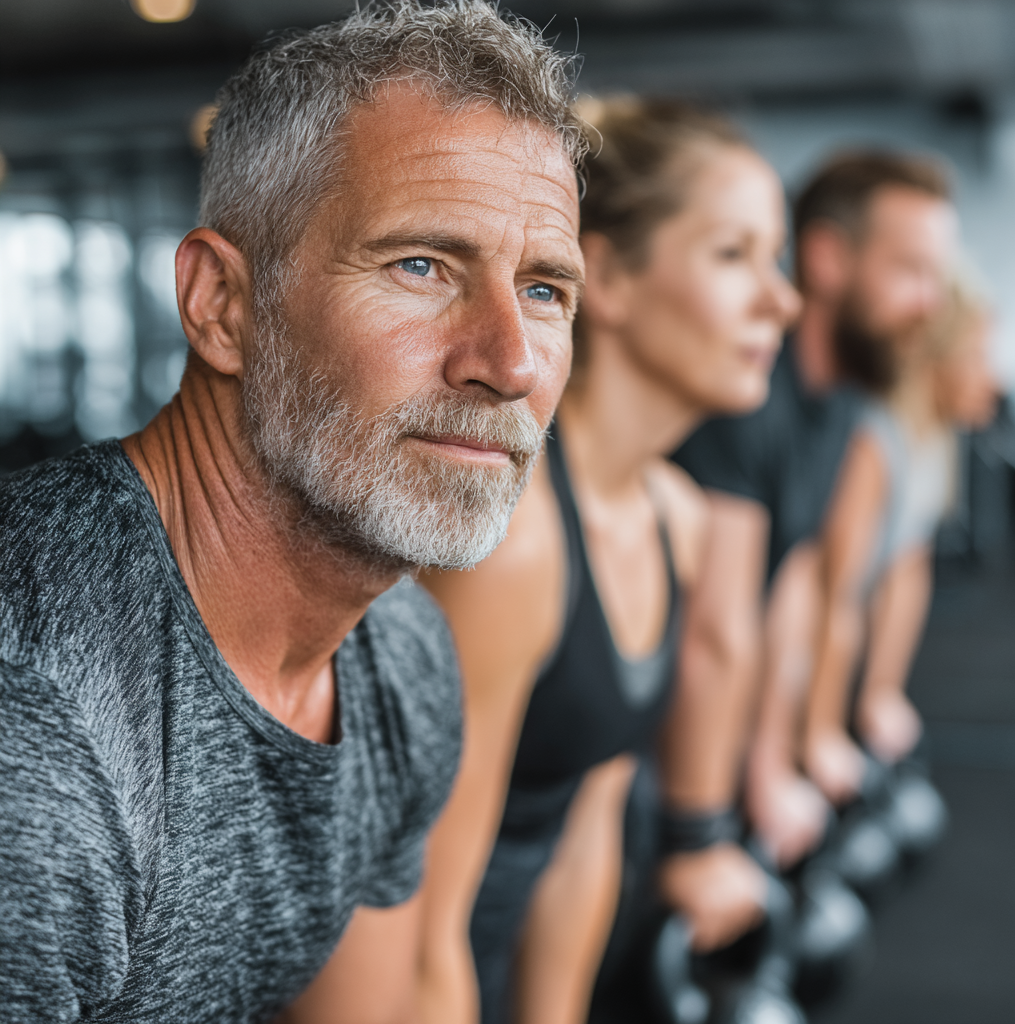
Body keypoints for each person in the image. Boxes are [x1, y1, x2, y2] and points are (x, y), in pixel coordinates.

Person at [0, 4, 588, 1021]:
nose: (510, 363)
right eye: (421, 266)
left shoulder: (399, 652)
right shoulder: (41, 737)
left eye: (543, 289)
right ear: (223, 305)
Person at [417, 96, 801, 1024]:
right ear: (612, 278)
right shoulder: (513, 541)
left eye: (776, 258)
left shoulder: (677, 517)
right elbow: (415, 926)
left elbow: (585, 839)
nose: (782, 299)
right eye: (732, 256)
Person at [674, 151, 959, 869]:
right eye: (911, 271)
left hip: (719, 744)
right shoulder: (747, 396)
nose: (930, 303)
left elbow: (793, 593)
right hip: (653, 742)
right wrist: (699, 834)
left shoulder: (840, 407)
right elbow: (716, 630)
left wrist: (773, 765)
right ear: (829, 258)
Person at [803, 280, 998, 804]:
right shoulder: (874, 441)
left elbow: (905, 574)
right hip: (797, 654)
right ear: (936, 360)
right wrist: (820, 734)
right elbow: (833, 594)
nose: (992, 378)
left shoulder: (937, 443)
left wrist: (879, 695)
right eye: (975, 357)